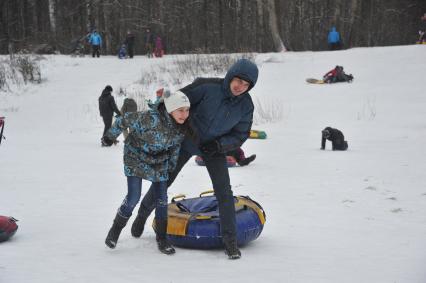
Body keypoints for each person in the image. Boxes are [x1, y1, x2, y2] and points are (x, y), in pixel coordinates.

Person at [130, 59, 259, 260]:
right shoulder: (207, 87)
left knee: (224, 192)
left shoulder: (246, 106)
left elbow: (240, 134)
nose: (240, 87)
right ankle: (141, 215)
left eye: (246, 84)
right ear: (231, 75)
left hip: (213, 149)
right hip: (185, 140)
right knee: (164, 182)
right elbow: (174, 103)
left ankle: (230, 241)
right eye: (238, 80)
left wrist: (219, 146)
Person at [102, 90, 190, 254]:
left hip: (159, 162)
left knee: (162, 200)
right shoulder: (149, 118)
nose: (184, 114)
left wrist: (171, 166)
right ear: (170, 109)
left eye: (187, 110)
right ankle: (115, 230)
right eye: (180, 110)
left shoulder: (181, 128)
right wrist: (109, 136)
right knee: (133, 197)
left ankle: (162, 239)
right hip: (136, 158)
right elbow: (123, 120)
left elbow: (175, 147)